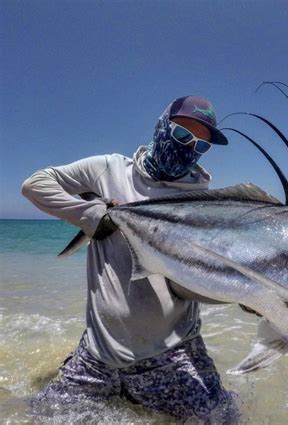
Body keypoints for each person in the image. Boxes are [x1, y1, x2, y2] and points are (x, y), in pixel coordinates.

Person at [21, 96, 237, 422]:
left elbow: (199, 283)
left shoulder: (201, 202)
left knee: (224, 419)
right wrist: (91, 215)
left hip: (172, 355)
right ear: (162, 126)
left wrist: (245, 293)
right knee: (33, 416)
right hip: (99, 353)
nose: (188, 148)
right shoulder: (108, 169)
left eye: (200, 145)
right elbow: (35, 185)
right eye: (181, 135)